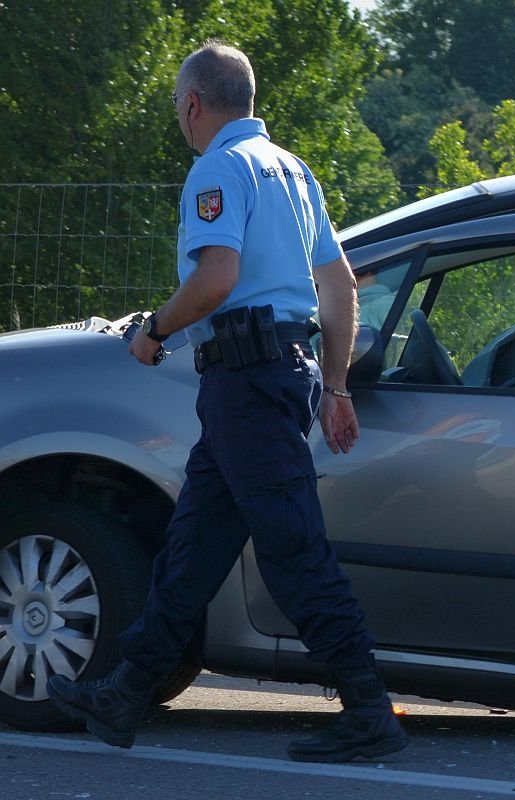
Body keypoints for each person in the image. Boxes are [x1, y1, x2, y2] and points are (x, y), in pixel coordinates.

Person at [46, 40, 408, 764]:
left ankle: (369, 710)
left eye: (179, 107)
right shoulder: (292, 169)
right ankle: (124, 695)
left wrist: (154, 330)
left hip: (247, 382)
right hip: (275, 378)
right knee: (194, 546)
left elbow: (216, 278)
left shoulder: (217, 168)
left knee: (292, 549)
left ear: (192, 104)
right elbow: (337, 287)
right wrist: (335, 386)